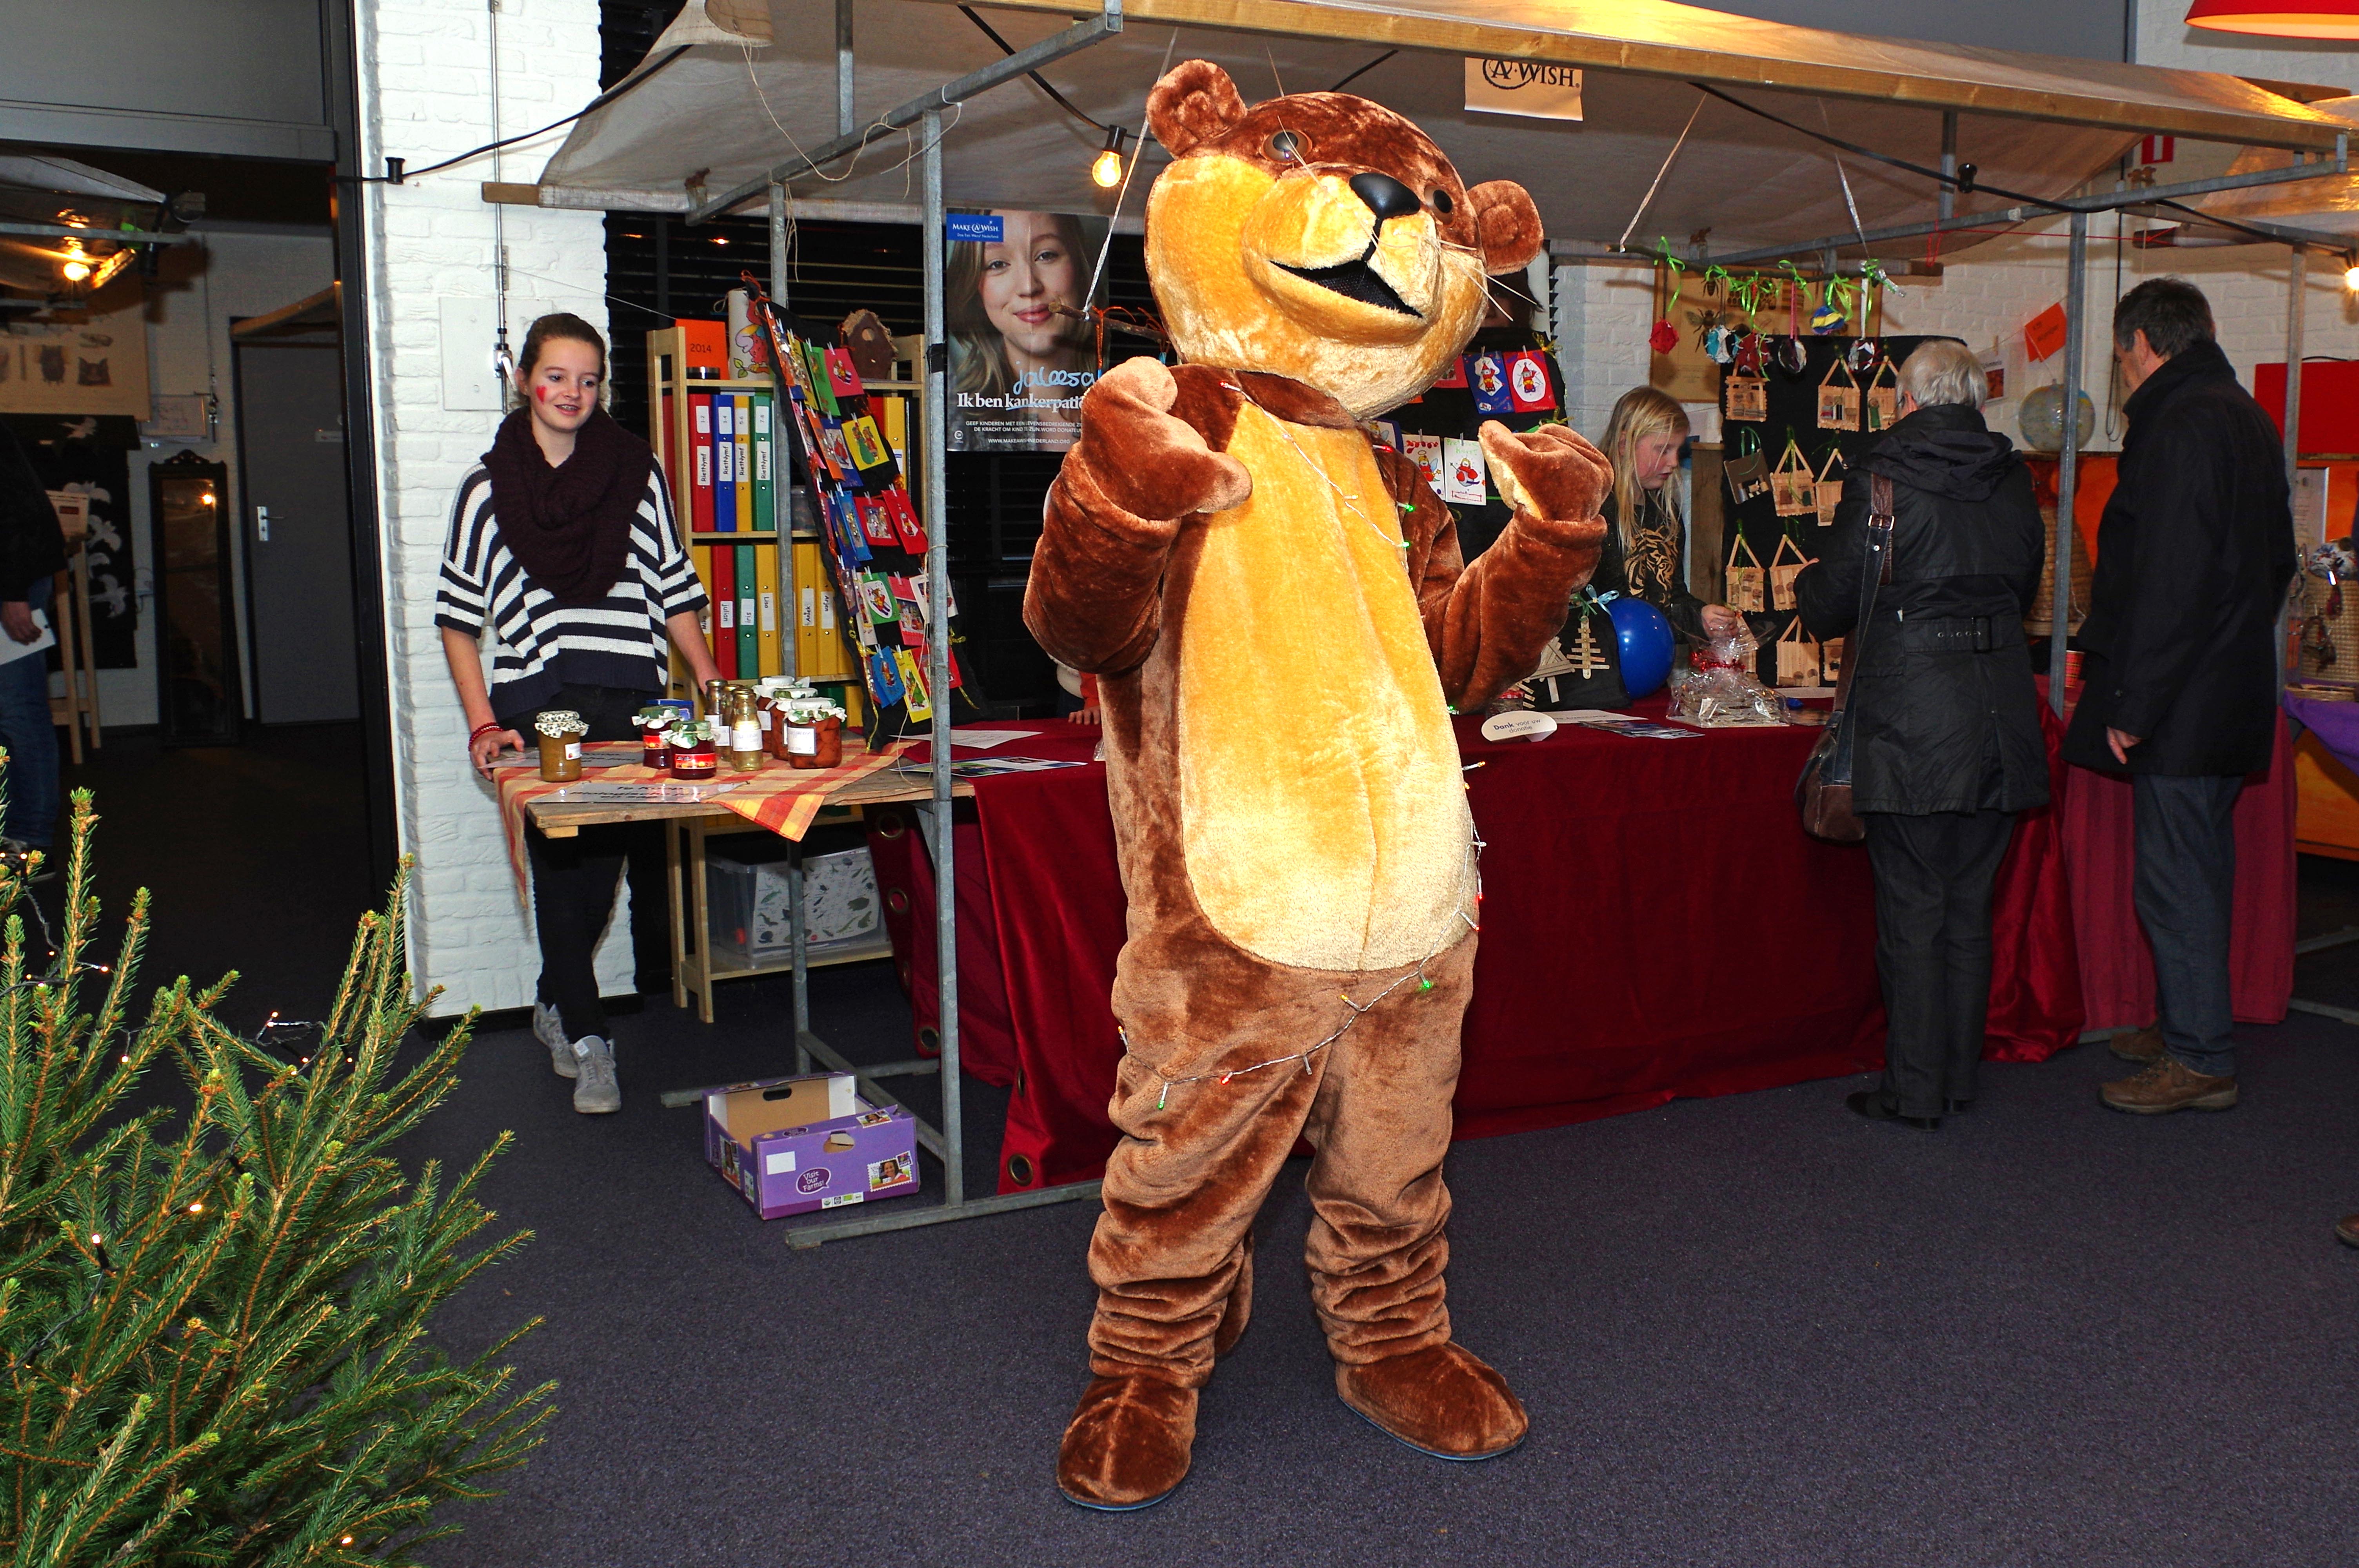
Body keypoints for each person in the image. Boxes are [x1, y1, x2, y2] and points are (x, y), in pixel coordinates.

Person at [437, 313, 718, 1114]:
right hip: (539, 707)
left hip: (628, 698)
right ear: (526, 379)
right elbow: (458, 620)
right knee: (562, 877)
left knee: (601, 882)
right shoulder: (487, 489)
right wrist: (483, 723)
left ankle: (554, 1001)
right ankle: (591, 1040)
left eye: (589, 379)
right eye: (556, 375)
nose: (572, 392)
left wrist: (707, 678)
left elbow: (671, 583)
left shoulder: (636, 470)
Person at [1796, 339, 2048, 1131]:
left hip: (1911, 712)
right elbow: (2025, 587)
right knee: (1969, 906)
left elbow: (1835, 597)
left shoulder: (1882, 471)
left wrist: (1805, 581)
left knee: (1910, 907)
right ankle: (1958, 1074)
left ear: (1906, 399)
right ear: (1975, 398)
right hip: (2001, 710)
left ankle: (1912, 1091)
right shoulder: (2012, 476)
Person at [2062, 278, 2295, 1116]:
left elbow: (2169, 581)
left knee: (2174, 877)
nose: (2120, 376)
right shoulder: (2239, 412)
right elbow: (2275, 562)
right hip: (2227, 686)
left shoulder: (2182, 422)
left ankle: (2198, 1054)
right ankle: (2187, 1021)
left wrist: (2135, 701)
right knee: (2199, 867)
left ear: (2140, 345)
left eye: (2119, 357)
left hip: (2182, 696)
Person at [1587, 387, 1742, 644]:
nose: (1673, 462)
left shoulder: (1665, 514)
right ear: (1625, 444)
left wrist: (1701, 617)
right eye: (1663, 450)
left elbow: (1672, 599)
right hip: (1597, 671)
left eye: (1677, 451)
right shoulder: (1592, 510)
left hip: (1653, 669)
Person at [947, 210, 1093, 450]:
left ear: (1080, 265)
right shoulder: (956, 422)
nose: (1028, 286)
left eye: (1046, 255)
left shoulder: (1124, 409)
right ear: (976, 289)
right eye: (998, 264)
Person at [0, 421, 65, 874]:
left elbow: (14, 513)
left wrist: (14, 593)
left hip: (13, 578)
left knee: (18, 711)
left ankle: (33, 843)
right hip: (14, 575)